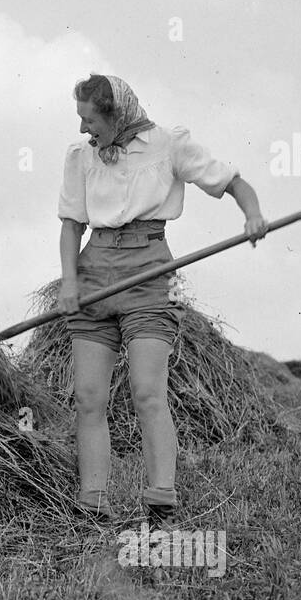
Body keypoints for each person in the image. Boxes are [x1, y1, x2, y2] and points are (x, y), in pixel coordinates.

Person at [57, 74, 268, 525]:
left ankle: (161, 500)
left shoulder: (169, 144)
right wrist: (70, 283)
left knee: (147, 390)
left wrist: (252, 215)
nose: (82, 131)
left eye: (89, 120)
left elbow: (232, 182)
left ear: (116, 115)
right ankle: (93, 502)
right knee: (89, 397)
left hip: (151, 274)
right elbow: (73, 225)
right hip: (95, 274)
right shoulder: (80, 157)